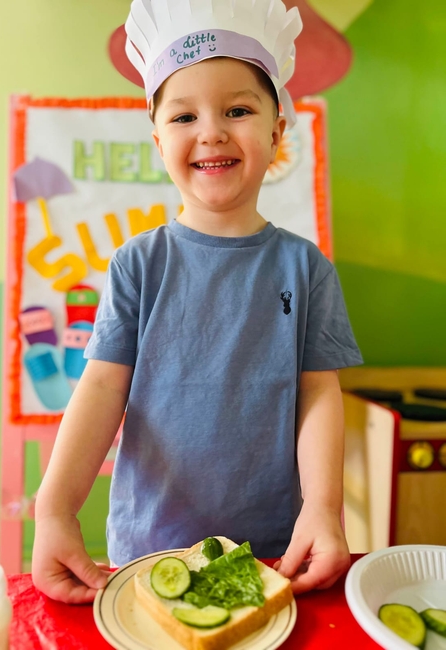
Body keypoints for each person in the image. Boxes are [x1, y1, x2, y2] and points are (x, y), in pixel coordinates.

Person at [32, 0, 363, 604]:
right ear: (159, 139)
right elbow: (101, 388)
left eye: (238, 110)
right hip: (148, 548)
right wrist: (53, 510)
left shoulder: (306, 268)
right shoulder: (137, 264)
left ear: (276, 132)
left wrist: (323, 506)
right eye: (185, 116)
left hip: (273, 548)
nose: (211, 131)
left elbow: (319, 394)